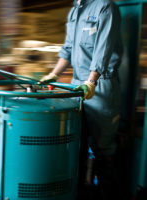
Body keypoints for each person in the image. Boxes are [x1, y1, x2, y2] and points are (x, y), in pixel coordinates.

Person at [40, 0, 122, 199]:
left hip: (99, 84)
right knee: (78, 142)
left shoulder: (105, 7)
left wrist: (92, 81)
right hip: (77, 86)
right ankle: (79, 192)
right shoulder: (75, 10)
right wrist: (53, 74)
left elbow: (103, 49)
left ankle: (106, 194)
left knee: (103, 146)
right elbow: (68, 48)